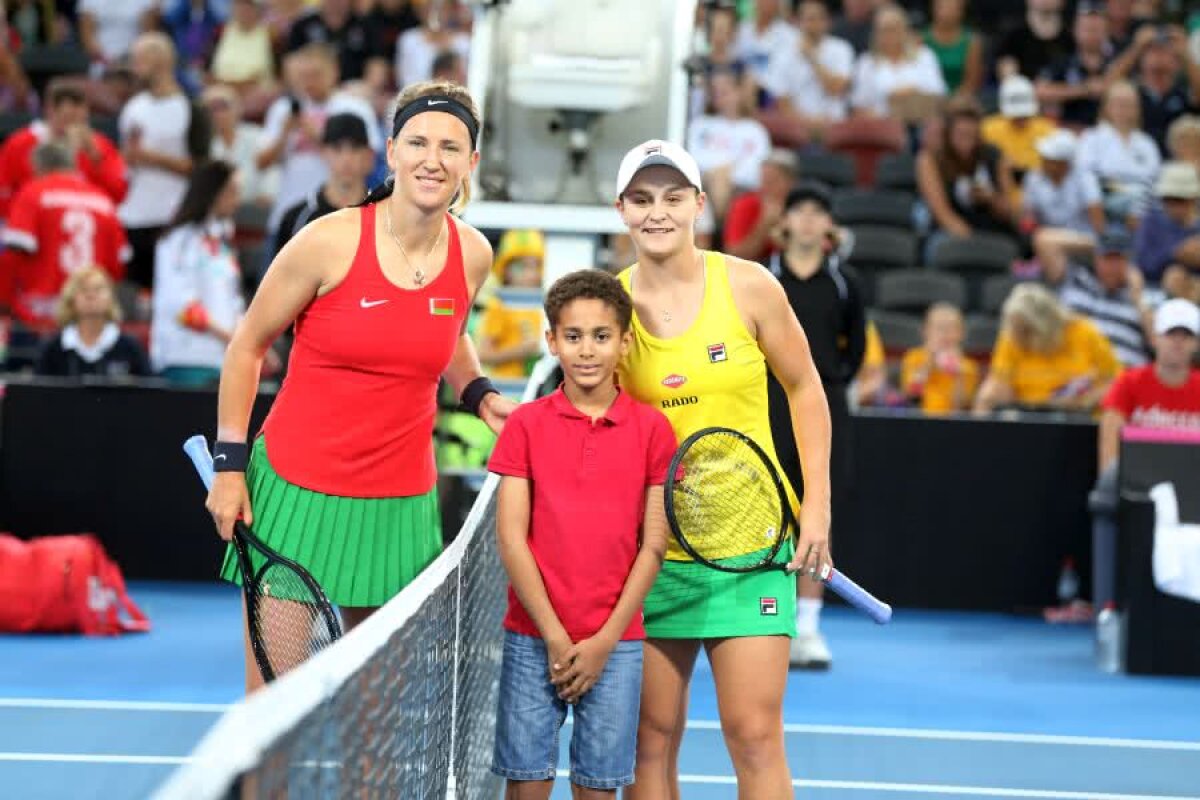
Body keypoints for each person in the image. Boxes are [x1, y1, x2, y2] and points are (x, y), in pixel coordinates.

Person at [204, 81, 516, 693]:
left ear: (470, 164)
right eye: (419, 143)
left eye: (451, 148)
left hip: (401, 507)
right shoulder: (328, 240)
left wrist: (478, 392)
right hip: (296, 495)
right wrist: (229, 465)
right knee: (273, 709)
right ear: (393, 151)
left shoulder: (473, 253)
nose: (433, 159)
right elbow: (246, 346)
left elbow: (444, 326)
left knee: (381, 717)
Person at [612, 140, 832, 800]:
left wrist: (816, 507)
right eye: (642, 200)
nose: (658, 213)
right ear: (621, 210)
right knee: (650, 739)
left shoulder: (751, 286)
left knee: (755, 734)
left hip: (753, 546)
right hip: (652, 555)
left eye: (673, 198)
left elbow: (806, 389)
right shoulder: (609, 310)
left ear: (699, 206)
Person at [488, 269, 674, 800]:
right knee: (526, 787)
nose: (586, 350)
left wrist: (605, 641)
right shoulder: (525, 425)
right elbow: (511, 539)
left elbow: (653, 545)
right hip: (531, 639)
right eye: (572, 336)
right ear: (551, 341)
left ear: (625, 342)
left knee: (598, 790)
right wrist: (552, 635)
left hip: (615, 645)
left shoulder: (653, 431)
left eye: (601, 336)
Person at [766, 182, 866, 670]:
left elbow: (857, 351)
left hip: (824, 406)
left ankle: (807, 629)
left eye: (817, 213)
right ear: (783, 223)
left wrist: (824, 388)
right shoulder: (761, 278)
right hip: (763, 406)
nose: (807, 221)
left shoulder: (845, 283)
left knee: (815, 512)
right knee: (763, 510)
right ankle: (766, 621)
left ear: (829, 226)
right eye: (798, 211)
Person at [1090, 298, 1200, 609]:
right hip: (1139, 494)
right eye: (1171, 335)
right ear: (1155, 338)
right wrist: (1112, 486)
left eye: (1185, 336)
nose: (1177, 343)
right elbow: (1110, 435)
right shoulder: (1130, 382)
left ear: (1195, 343)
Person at [0, 141, 128, 366]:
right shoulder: (102, 200)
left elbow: (12, 257)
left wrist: (4, 305)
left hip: (38, 318)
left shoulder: (33, 192)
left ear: (38, 167)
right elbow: (117, 267)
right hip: (90, 320)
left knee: (33, 394)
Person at [119, 32, 207, 290]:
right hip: (134, 214)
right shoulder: (132, 107)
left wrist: (151, 158)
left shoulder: (191, 108)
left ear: (161, 62)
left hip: (173, 216)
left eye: (140, 60)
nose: (134, 68)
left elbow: (201, 168)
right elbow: (127, 159)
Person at [150, 160, 249, 386]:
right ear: (213, 192)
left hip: (223, 360)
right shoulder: (178, 241)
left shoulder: (222, 245)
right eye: (232, 191)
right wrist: (235, 340)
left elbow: (234, 302)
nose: (237, 200)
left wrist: (247, 342)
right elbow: (182, 307)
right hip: (186, 358)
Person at [974, 283, 1120, 414]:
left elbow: (1115, 382)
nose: (1019, 337)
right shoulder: (1012, 337)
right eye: (1016, 330)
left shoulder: (1084, 332)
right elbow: (999, 383)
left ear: (1046, 324)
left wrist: (1084, 401)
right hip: (1027, 416)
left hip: (1079, 417)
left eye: (1026, 331)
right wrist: (994, 395)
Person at [0, 78, 127, 221]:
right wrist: (21, 218)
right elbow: (4, 190)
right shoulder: (21, 143)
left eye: (79, 116)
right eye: (67, 117)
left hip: (83, 225)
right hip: (32, 224)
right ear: (50, 110)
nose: (72, 124)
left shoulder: (99, 146)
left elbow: (118, 193)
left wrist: (95, 157)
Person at [274, 113, 376, 253]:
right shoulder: (296, 219)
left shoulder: (385, 216)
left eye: (355, 148)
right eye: (337, 148)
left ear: (368, 155)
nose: (346, 158)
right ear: (323, 152)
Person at [34, 267, 151, 380]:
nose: (91, 295)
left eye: (98, 289)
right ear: (71, 300)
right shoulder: (52, 349)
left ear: (111, 299)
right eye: (83, 290)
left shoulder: (130, 348)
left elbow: (150, 393)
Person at [477, 228, 545, 379]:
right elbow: (482, 354)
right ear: (506, 269)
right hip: (506, 389)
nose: (531, 274)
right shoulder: (499, 305)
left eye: (536, 266)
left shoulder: (541, 304)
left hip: (534, 389)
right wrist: (520, 351)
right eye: (522, 266)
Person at [901, 302, 980, 414]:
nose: (945, 334)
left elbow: (962, 405)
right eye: (939, 328)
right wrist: (928, 364)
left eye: (951, 328)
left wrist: (958, 374)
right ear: (926, 331)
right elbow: (910, 394)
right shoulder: (914, 357)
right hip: (920, 419)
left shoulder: (968, 366)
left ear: (961, 333)